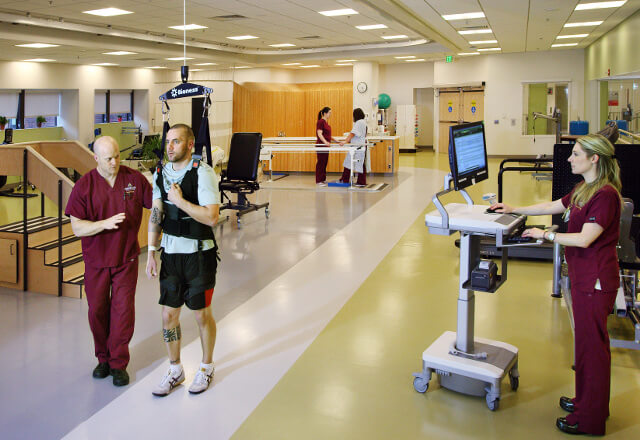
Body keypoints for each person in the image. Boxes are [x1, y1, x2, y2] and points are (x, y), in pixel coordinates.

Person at [492, 134, 621, 436]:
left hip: (596, 281)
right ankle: (587, 401)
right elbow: (553, 205)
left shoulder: (605, 195)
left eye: (575, 154)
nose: (569, 159)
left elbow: (585, 238)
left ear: (594, 159)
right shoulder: (586, 188)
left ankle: (591, 420)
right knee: (586, 347)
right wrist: (516, 208)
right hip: (583, 277)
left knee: (593, 349)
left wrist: (544, 236)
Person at [65, 135, 153, 387]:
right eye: (108, 158)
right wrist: (103, 224)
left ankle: (118, 364)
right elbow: (77, 228)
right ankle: (102, 358)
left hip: (126, 258)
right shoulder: (84, 186)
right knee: (97, 312)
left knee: (123, 312)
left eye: (117, 156)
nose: (114, 162)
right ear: (96, 159)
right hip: (96, 262)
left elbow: (155, 203)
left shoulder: (133, 180)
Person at [146, 123, 220, 396]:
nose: (170, 147)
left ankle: (206, 366)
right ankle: (175, 368)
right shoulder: (161, 175)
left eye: (176, 142)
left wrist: (180, 201)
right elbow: (156, 213)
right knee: (168, 315)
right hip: (171, 255)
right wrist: (151, 251)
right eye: (168, 142)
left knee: (201, 314)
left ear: (190, 145)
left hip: (199, 254)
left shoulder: (204, 173)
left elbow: (212, 217)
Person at [339, 108, 368, 187]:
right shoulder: (363, 122)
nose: (352, 118)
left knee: (349, 163)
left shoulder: (359, 122)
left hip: (357, 147)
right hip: (359, 146)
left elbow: (353, 133)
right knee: (357, 163)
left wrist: (345, 141)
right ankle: (359, 181)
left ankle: (346, 180)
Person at [315, 106, 338, 186]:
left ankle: (323, 179)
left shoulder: (325, 123)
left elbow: (327, 135)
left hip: (325, 146)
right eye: (329, 113)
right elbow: (319, 134)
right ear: (325, 113)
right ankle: (319, 181)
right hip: (321, 145)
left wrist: (335, 140)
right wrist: (325, 142)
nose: (330, 114)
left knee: (324, 162)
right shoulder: (321, 122)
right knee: (321, 163)